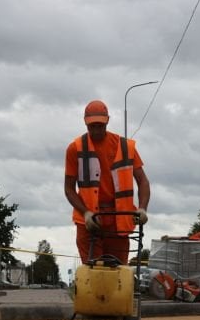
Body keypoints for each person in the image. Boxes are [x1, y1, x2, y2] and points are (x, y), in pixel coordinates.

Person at [64, 100, 151, 264]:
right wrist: (86, 213)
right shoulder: (75, 149)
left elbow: (143, 181)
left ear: (107, 121)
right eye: (92, 126)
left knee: (118, 274)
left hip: (119, 221)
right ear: (85, 122)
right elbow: (69, 189)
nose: (96, 130)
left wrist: (142, 209)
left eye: (100, 125)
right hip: (89, 222)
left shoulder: (124, 146)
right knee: (93, 274)